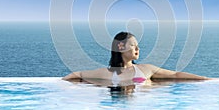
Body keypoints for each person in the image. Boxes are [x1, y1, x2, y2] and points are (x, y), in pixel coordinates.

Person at [62, 32, 210, 84]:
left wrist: (204, 78)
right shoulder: (106, 73)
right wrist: (61, 83)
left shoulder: (146, 69)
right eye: (133, 45)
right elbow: (79, 74)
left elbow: (176, 75)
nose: (138, 49)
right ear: (120, 47)